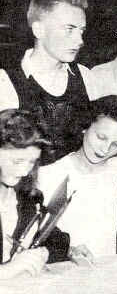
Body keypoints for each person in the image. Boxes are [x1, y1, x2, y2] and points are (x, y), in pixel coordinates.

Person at [37, 95, 117, 259]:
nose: (105, 149)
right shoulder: (48, 175)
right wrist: (67, 251)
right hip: (66, 274)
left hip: (111, 273)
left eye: (116, 144)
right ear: (85, 126)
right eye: (101, 137)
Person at [0, 0, 95, 165]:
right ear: (39, 30)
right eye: (69, 29)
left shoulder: (85, 76)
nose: (80, 40)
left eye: (81, 31)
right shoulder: (5, 83)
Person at [0, 109, 69, 279]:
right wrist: (6, 271)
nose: (24, 171)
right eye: (17, 161)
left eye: (32, 161)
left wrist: (43, 253)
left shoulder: (28, 197)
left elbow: (56, 240)